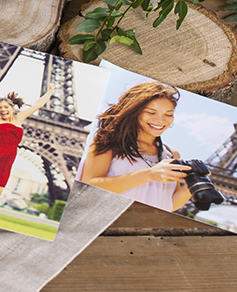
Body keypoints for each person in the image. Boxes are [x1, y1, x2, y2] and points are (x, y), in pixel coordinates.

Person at [76, 82, 192, 212]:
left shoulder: (172, 155)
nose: (160, 120)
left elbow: (168, 204)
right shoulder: (108, 141)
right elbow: (89, 187)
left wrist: (191, 187)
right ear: (134, 112)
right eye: (151, 112)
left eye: (169, 114)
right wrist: (149, 175)